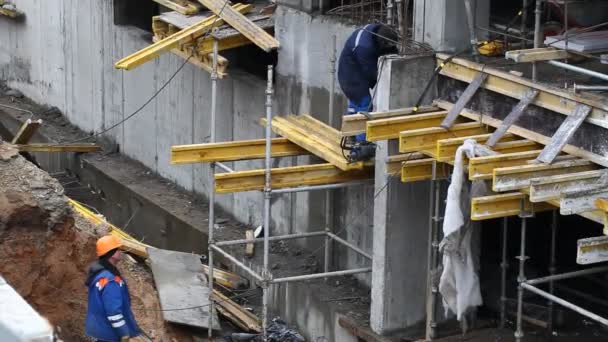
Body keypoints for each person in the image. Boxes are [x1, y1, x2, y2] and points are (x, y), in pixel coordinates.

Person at [338, 24, 398, 161]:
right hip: (351, 75)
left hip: (353, 67)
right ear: (382, 43)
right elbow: (372, 73)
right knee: (365, 106)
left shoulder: (377, 33)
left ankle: (350, 135)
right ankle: (361, 146)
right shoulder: (364, 47)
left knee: (355, 103)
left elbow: (392, 50)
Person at [85, 235, 141, 342]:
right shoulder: (110, 281)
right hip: (109, 333)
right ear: (112, 253)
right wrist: (124, 333)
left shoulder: (99, 273)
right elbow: (113, 312)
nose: (120, 252)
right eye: (118, 249)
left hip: (100, 328)